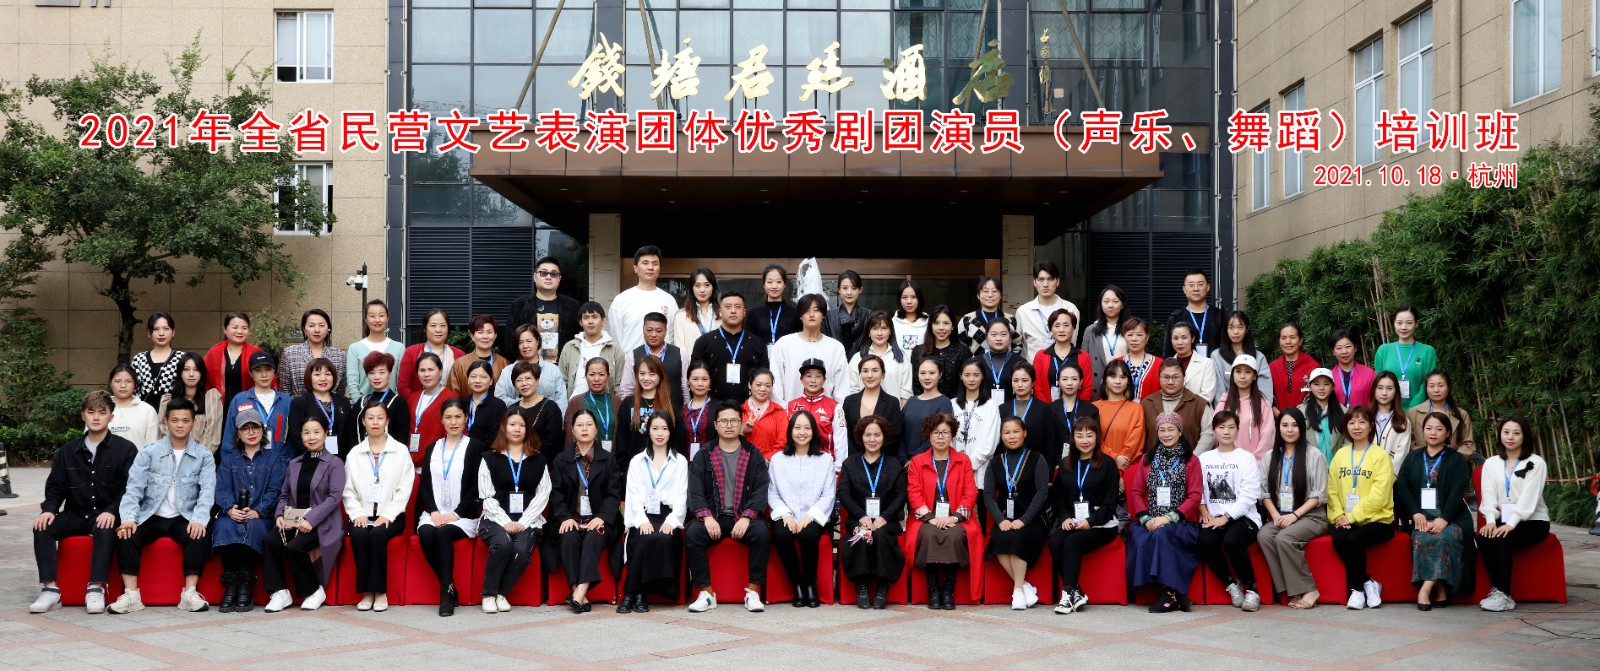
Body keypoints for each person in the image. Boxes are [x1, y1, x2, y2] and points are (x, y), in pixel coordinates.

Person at [29, 391, 138, 615]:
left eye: (102, 412)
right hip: (76, 513)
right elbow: (55, 487)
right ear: (83, 416)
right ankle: (50, 590)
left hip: (106, 513)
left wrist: (112, 510)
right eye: (91, 412)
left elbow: (130, 489)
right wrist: (49, 510)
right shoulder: (67, 451)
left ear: (111, 417)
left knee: (105, 526)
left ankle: (96, 588)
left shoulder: (126, 449)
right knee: (42, 526)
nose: (96, 417)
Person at [107, 399, 216, 614]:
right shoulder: (149, 452)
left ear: (193, 423)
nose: (180, 425)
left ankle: (189, 593)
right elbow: (134, 488)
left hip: (183, 516)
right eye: (175, 420)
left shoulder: (204, 455)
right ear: (166, 421)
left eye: (185, 420)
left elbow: (207, 492)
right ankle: (131, 595)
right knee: (126, 533)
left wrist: (198, 520)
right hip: (151, 515)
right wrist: (128, 518)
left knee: (199, 535)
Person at [685, 402, 773, 613]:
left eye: (734, 421)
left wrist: (747, 517)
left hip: (742, 516)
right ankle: (706, 593)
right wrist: (706, 517)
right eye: (724, 421)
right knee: (693, 534)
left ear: (741, 424)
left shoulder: (753, 454)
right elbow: (695, 491)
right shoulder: (704, 454)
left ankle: (753, 592)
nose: (729, 425)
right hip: (713, 517)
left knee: (761, 533)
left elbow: (761, 490)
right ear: (715, 425)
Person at [262, 415, 345, 613]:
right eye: (307, 433)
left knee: (295, 547)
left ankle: (314, 590)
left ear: (325, 434)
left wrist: (311, 519)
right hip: (294, 519)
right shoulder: (295, 463)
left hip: (323, 522)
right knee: (270, 541)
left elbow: (334, 498)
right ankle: (280, 592)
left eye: (316, 432)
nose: (311, 437)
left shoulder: (335, 463)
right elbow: (284, 495)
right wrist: (279, 515)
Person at [1395, 411, 1476, 611]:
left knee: (1443, 537)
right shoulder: (1413, 458)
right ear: (1422, 431)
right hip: (1422, 518)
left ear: (1448, 433)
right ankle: (1440, 588)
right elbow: (1402, 486)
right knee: (1422, 538)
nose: (1433, 433)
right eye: (1429, 428)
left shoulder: (1456, 459)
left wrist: (1444, 519)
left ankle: (1425, 589)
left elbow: (1457, 492)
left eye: (1439, 429)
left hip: (1452, 519)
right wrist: (1415, 513)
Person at [545, 409, 622, 614]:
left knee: (593, 537)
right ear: (572, 430)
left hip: (598, 519)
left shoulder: (608, 459)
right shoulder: (561, 460)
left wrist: (602, 517)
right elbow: (556, 493)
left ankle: (579, 592)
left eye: (589, 424)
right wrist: (565, 517)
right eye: (579, 425)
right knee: (568, 537)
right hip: (571, 518)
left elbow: (614, 494)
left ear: (596, 430)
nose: (584, 429)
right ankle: (578, 594)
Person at [1126, 411, 1204, 613]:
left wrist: (1167, 518)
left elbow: (1195, 496)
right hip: (1151, 519)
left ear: (1180, 432)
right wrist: (1146, 518)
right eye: (1162, 430)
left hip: (1181, 521)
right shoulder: (1147, 459)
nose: (1166, 434)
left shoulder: (1191, 460)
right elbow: (1136, 492)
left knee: (1163, 535)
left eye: (1171, 430)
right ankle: (1175, 597)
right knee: (1140, 536)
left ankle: (1169, 595)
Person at [212, 408, 288, 614]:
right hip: (233, 513)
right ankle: (231, 585)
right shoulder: (229, 460)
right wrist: (230, 508)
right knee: (223, 526)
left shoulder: (275, 459)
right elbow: (222, 489)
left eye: (255, 427)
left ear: (263, 430)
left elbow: (276, 490)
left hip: (261, 516)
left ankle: (245, 584)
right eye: (245, 429)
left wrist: (259, 510)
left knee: (253, 527)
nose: (251, 432)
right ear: (238, 433)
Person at [341, 399, 414, 612]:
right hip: (362, 514)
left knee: (377, 534)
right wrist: (357, 514)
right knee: (360, 535)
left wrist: (388, 515)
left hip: (391, 516)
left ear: (387, 421)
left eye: (380, 418)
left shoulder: (400, 451)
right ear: (363, 421)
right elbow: (348, 490)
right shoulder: (355, 453)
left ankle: (380, 591)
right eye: (370, 418)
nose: (375, 422)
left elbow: (404, 489)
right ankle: (366, 592)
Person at [476, 412, 553, 613]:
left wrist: (524, 522)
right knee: (503, 544)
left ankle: (501, 593)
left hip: (528, 520)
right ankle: (488, 595)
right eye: (512, 424)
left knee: (521, 548)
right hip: (495, 518)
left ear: (528, 429)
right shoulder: (489, 458)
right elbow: (486, 495)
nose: (517, 429)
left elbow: (543, 493)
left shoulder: (539, 459)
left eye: (522, 425)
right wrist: (505, 522)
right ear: (503, 427)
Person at [906, 413, 982, 610]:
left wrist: (954, 518)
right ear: (929, 435)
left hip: (956, 517)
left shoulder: (963, 461)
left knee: (954, 535)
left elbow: (970, 492)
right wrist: (930, 518)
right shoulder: (917, 461)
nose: (940, 437)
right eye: (936, 432)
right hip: (926, 518)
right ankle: (933, 587)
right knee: (928, 534)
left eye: (945, 432)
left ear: (952, 435)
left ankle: (948, 588)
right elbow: (913, 493)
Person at [414, 399, 483, 616]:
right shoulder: (432, 447)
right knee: (426, 534)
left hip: (463, 515)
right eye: (448, 417)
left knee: (443, 534)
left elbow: (476, 486)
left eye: (458, 417)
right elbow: (425, 485)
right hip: (434, 512)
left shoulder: (475, 447)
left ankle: (445, 594)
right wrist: (434, 511)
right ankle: (450, 585)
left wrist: (455, 514)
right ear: (441, 420)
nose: (453, 422)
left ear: (466, 419)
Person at [1257, 407, 1330, 609]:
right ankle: (1290, 590)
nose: (1290, 430)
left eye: (1295, 425)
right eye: (1285, 425)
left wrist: (1295, 516)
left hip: (1311, 516)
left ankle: (1309, 589)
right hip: (1281, 513)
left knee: (1284, 538)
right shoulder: (1270, 456)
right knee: (1264, 535)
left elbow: (1319, 495)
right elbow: (1264, 493)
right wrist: (1275, 515)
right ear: (1278, 428)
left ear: (1302, 428)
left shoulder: (1314, 455)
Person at [1047, 417, 1120, 614]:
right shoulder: (1066, 465)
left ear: (1097, 437)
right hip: (1073, 521)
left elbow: (1110, 503)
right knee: (1056, 541)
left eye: (1089, 435)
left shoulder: (1108, 464)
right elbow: (1058, 499)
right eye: (1079, 436)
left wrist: (1091, 521)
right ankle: (1076, 592)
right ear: (1073, 438)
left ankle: (1067, 595)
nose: (1085, 440)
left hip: (1102, 523)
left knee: (1073, 542)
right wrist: (1064, 518)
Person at [1476, 415, 1549, 612]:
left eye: (1516, 433)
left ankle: (1504, 595)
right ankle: (1498, 592)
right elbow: (1488, 493)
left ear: (1525, 436)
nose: (1510, 437)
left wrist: (1511, 524)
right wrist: (1490, 521)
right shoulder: (1491, 463)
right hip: (1503, 519)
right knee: (1485, 537)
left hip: (1533, 520)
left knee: (1502, 538)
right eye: (1506, 432)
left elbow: (1529, 498)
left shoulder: (1536, 462)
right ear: (1500, 435)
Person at [1326, 405, 1396, 610]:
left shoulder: (1380, 456)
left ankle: (1356, 591)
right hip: (1348, 518)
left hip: (1379, 520)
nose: (1356, 427)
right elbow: (1332, 490)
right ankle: (1368, 583)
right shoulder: (1340, 455)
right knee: (1339, 538)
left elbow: (1379, 495)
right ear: (1346, 426)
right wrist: (1339, 515)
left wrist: (1352, 516)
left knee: (1354, 540)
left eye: (1362, 422)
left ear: (1371, 425)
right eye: (1352, 422)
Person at [1195, 411, 1264, 612]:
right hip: (1214, 517)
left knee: (1232, 541)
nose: (1226, 432)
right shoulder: (1204, 458)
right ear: (1213, 430)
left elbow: (1250, 494)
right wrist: (1204, 511)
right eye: (1221, 427)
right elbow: (1197, 490)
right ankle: (1231, 583)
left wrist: (1226, 517)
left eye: (1231, 427)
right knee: (1204, 541)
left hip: (1244, 517)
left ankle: (1251, 589)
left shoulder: (1246, 458)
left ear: (1237, 430)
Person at [619, 413, 689, 612]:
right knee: (643, 537)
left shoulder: (680, 461)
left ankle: (632, 592)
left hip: (667, 515)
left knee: (662, 538)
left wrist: (672, 521)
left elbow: (682, 496)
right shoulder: (637, 461)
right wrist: (641, 520)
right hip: (642, 514)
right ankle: (638, 594)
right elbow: (632, 495)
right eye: (655, 428)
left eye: (664, 429)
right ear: (648, 431)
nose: (660, 433)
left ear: (671, 432)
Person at [767, 411, 838, 607]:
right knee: (782, 536)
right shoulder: (778, 460)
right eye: (797, 427)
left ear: (813, 431)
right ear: (790, 431)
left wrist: (810, 516)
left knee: (808, 535)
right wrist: (786, 514)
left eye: (807, 428)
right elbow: (772, 493)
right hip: (786, 514)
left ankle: (810, 584)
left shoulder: (825, 460)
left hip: (815, 515)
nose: (802, 432)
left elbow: (828, 495)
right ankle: (797, 583)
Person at [839, 415, 908, 609]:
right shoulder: (849, 464)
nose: (872, 439)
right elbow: (844, 493)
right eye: (867, 435)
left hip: (887, 521)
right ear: (860, 437)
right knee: (862, 535)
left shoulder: (894, 464)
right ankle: (861, 584)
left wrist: (884, 517)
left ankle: (882, 585)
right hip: (858, 519)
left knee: (882, 536)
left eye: (877, 435)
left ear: (884, 437)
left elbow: (901, 494)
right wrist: (861, 516)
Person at [985, 416, 1052, 610]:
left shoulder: (1037, 458)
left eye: (1016, 431)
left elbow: (1042, 492)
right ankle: (1023, 587)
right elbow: (988, 494)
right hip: (1005, 518)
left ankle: (1017, 591)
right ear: (1001, 436)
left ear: (1024, 433)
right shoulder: (995, 463)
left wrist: (1024, 520)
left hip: (1034, 518)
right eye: (1007, 432)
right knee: (999, 540)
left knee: (1016, 538)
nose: (1012, 436)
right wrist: (1000, 520)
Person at [690, 291, 770, 405]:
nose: (733, 311)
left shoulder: (757, 343)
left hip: (748, 407)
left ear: (744, 312)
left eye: (737, 307)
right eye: (728, 307)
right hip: (711, 406)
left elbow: (765, 377)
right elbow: (694, 375)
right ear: (720, 312)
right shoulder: (704, 341)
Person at [771, 294, 850, 405]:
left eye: (816, 310)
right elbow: (776, 383)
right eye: (807, 310)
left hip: (826, 414)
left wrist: (837, 412)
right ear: (800, 315)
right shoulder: (784, 344)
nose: (811, 314)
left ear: (823, 315)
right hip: (790, 413)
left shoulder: (836, 348)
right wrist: (783, 411)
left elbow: (842, 389)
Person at [219, 352, 292, 462]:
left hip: (280, 465)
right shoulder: (239, 400)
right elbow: (230, 438)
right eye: (258, 370)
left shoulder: (286, 401)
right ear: (251, 373)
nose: (264, 375)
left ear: (274, 371)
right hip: (248, 465)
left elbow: (292, 438)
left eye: (268, 369)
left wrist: (287, 463)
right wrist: (232, 466)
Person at [507, 256, 582, 362]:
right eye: (543, 273)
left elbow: (579, 340)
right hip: (528, 367)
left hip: (563, 367)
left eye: (553, 274)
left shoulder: (572, 306)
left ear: (559, 279)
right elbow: (510, 341)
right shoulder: (519, 305)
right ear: (535, 277)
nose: (548, 277)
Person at [609, 245, 678, 353]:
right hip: (631, 361)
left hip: (662, 362)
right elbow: (617, 338)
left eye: (655, 263)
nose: (650, 267)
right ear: (635, 268)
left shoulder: (669, 300)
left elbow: (672, 336)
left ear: (659, 268)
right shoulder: (621, 300)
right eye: (645, 263)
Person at [615, 355, 678, 472]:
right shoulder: (628, 403)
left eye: (651, 374)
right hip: (633, 469)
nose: (646, 378)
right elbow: (621, 440)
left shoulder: (669, 405)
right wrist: (624, 470)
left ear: (660, 376)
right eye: (642, 373)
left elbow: (677, 440)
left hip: (663, 469)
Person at [285, 357, 358, 458]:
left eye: (327, 374)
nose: (323, 378)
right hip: (310, 459)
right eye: (317, 374)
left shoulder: (343, 402)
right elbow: (296, 435)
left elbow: (349, 434)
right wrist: (318, 458)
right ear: (309, 377)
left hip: (340, 460)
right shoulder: (299, 403)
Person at [1141, 359, 1216, 455]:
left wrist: (1193, 458)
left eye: (1175, 377)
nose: (1170, 382)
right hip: (1153, 462)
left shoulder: (1198, 404)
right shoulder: (1147, 403)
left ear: (1184, 377)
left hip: (1189, 461)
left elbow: (1209, 432)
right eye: (1165, 377)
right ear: (1159, 377)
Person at [786, 358, 849, 468]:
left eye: (818, 376)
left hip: (826, 466)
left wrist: (838, 470)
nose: (813, 380)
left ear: (824, 380)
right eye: (808, 376)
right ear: (801, 379)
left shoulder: (835, 407)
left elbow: (841, 442)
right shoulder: (789, 406)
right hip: (796, 465)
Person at [998, 362, 1066, 464]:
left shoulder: (1044, 409)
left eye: (1024, 380)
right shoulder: (1002, 409)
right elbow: (998, 443)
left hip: (1037, 465)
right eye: (1015, 380)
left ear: (1033, 383)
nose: (1020, 384)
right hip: (1008, 465)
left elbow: (1051, 443)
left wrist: (1048, 469)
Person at [951, 359, 1001, 496]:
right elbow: (947, 437)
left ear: (983, 376)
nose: (971, 379)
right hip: (954, 469)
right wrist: (956, 461)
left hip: (981, 471)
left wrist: (968, 464)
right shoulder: (952, 404)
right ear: (961, 376)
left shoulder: (991, 405)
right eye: (967, 375)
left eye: (976, 375)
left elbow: (990, 441)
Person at [1373, 306, 1437, 410]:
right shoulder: (1384, 350)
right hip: (1389, 410)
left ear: (1416, 324)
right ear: (1394, 323)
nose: (1403, 327)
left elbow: (1429, 382)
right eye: (1399, 323)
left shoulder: (1427, 351)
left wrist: (1414, 407)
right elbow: (1378, 382)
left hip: (1419, 410)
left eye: (1409, 323)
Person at [618, 312, 690, 406]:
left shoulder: (680, 354)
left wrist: (686, 410)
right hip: (642, 411)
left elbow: (685, 388)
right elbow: (627, 389)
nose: (653, 334)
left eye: (659, 331)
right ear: (643, 330)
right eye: (649, 330)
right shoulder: (633, 355)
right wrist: (629, 410)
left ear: (666, 331)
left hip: (674, 411)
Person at [558, 301, 624, 403]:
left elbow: (619, 384)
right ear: (580, 322)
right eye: (586, 318)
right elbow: (562, 381)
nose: (590, 321)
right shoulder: (570, 347)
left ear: (603, 320)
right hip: (575, 404)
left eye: (594, 317)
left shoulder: (614, 349)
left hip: (605, 405)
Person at [842, 356, 907, 458]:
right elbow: (846, 434)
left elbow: (895, 436)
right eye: (865, 371)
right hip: (854, 460)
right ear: (860, 374)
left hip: (883, 460)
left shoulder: (892, 402)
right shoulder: (849, 401)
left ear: (883, 374)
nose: (870, 375)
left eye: (875, 370)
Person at [496, 324, 570, 414]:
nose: (525, 346)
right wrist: (525, 405)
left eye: (529, 341)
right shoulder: (508, 372)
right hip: (517, 420)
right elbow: (499, 398)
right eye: (520, 342)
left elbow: (561, 402)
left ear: (537, 341)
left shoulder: (553, 370)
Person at [158, 353, 225, 451]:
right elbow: (164, 434)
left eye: (196, 369)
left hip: (202, 457)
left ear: (202, 373)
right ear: (180, 372)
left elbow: (212, 438)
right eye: (186, 369)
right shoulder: (167, 400)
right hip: (171, 456)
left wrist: (193, 457)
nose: (191, 374)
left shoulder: (211, 398)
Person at [1406, 371, 1477, 459]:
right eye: (1431, 386)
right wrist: (1428, 455)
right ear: (1426, 388)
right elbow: (1409, 442)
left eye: (1441, 385)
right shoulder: (1413, 413)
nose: (1436, 390)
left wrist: (1451, 458)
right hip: (1422, 462)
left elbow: (1468, 444)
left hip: (1452, 464)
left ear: (1448, 387)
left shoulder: (1461, 414)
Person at [1017, 261, 1079, 359]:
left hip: (1064, 366)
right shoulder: (1023, 312)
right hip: (1033, 367)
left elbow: (1073, 342)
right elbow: (1019, 345)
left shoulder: (1070, 309)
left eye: (1050, 279)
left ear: (1057, 282)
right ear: (1034, 282)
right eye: (1041, 279)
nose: (1045, 284)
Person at [204, 311, 270, 404]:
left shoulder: (256, 352)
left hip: (250, 406)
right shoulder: (215, 352)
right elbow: (204, 379)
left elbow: (269, 379)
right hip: (219, 407)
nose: (240, 331)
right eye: (235, 327)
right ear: (225, 329)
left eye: (244, 328)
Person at [278, 309, 346, 399]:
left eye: (321, 325)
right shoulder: (289, 353)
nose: (317, 330)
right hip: (298, 406)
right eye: (311, 325)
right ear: (304, 329)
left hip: (330, 406)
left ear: (328, 329)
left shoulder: (340, 356)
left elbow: (340, 392)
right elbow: (284, 391)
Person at [1210, 311, 1274, 405]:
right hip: (1228, 408)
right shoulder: (1216, 356)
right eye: (1231, 327)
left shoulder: (1259, 357)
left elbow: (1265, 390)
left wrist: (1259, 409)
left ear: (1247, 329)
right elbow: (1219, 391)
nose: (1235, 332)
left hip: (1254, 408)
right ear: (1226, 330)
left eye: (1240, 327)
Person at [1218, 354, 1274, 460]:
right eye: (1238, 371)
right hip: (1227, 463)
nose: (1242, 376)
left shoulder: (1263, 404)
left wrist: (1255, 460)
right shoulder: (1224, 403)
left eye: (1247, 372)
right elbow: (1216, 432)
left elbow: (1268, 435)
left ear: (1254, 376)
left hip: (1254, 463)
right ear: (1232, 375)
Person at [406, 352, 457, 466]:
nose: (426, 374)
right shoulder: (413, 398)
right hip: (411, 463)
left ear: (440, 371)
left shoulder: (450, 398)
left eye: (431, 370)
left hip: (437, 463)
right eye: (422, 370)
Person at [1094, 360, 1147, 470]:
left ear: (1128, 382)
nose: (1118, 381)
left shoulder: (1136, 409)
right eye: (1113, 376)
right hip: (1099, 467)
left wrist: (1121, 467)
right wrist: (1115, 458)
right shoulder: (1094, 407)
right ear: (1105, 379)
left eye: (1123, 377)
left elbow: (1135, 443)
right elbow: (1092, 440)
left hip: (1127, 468)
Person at [347, 299, 405, 399]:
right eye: (372, 316)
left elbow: (401, 381)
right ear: (365, 319)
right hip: (364, 405)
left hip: (391, 404)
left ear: (387, 318)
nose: (377, 320)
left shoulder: (399, 348)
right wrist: (361, 405)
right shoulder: (354, 348)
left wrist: (393, 403)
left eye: (381, 315)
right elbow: (352, 383)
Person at [1032, 309, 1093, 404]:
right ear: (1051, 329)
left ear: (1073, 328)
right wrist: (1047, 409)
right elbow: (1037, 388)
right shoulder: (1041, 356)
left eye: (1066, 325)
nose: (1061, 330)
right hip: (1047, 409)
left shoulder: (1083, 356)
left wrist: (1077, 409)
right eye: (1057, 325)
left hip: (1076, 410)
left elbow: (1087, 388)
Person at [848, 311, 913, 400]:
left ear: (890, 331)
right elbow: (853, 390)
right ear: (869, 332)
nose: (879, 333)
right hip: (865, 408)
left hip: (894, 408)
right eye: (875, 328)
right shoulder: (857, 358)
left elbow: (906, 393)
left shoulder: (901, 357)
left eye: (884, 328)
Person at [398, 309, 462, 399]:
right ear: (425, 329)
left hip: (451, 405)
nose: (438, 330)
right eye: (433, 325)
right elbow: (403, 386)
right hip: (420, 405)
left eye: (443, 325)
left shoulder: (459, 354)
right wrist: (416, 402)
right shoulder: (411, 352)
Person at [1163, 269, 1225, 358]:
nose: (1196, 289)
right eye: (1191, 285)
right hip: (1184, 365)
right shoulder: (1176, 318)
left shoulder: (1219, 316)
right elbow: (1168, 351)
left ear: (1208, 287)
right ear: (1184, 289)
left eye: (1200, 284)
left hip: (1215, 365)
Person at [902, 357, 956, 458]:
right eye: (923, 373)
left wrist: (915, 459)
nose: (927, 377)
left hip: (929, 460)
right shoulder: (911, 401)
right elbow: (901, 432)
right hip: (905, 461)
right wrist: (903, 458)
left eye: (932, 373)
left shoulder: (944, 402)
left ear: (940, 375)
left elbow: (939, 436)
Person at [564, 358, 621, 451]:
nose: (596, 379)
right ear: (585, 376)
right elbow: (569, 437)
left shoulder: (617, 402)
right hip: (585, 456)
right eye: (592, 374)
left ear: (608, 376)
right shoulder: (576, 402)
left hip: (614, 457)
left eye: (601, 374)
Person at [1080, 286, 1127, 397]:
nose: (1110, 305)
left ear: (1122, 305)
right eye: (1106, 301)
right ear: (1101, 304)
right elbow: (1083, 363)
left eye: (1115, 301)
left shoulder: (1130, 329)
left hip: (1123, 383)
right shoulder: (1090, 330)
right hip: (1098, 385)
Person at [507, 361, 565, 451]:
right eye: (518, 380)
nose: (524, 383)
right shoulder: (512, 409)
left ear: (537, 380)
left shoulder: (550, 407)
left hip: (542, 458)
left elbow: (553, 442)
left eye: (528, 378)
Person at [447, 315, 509, 398]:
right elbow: (452, 398)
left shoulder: (504, 363)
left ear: (495, 335)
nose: (485, 336)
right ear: (472, 336)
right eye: (480, 332)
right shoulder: (460, 364)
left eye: (489, 332)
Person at [359, 351, 411, 448]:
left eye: (382, 372)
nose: (377, 377)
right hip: (362, 454)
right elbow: (352, 435)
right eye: (372, 373)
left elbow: (402, 437)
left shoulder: (399, 403)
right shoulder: (361, 402)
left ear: (390, 374)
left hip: (390, 454)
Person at [958, 275, 1020, 355]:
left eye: (994, 291)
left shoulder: (1010, 319)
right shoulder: (967, 319)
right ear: (978, 295)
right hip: (976, 363)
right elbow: (962, 348)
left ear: (1000, 295)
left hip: (1005, 362)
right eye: (985, 291)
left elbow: (1017, 346)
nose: (990, 295)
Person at [913, 306, 966, 398]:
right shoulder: (918, 351)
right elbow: (916, 385)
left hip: (955, 404)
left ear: (953, 326)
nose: (941, 328)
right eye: (936, 323)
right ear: (931, 325)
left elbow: (964, 384)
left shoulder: (963, 351)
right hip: (926, 404)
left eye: (946, 323)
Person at [1051, 363, 1101, 457]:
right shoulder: (1049, 409)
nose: (1069, 383)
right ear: (1058, 382)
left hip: (1085, 458)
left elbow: (1096, 439)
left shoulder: (1091, 410)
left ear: (1080, 382)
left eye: (1074, 379)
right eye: (1065, 379)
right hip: (1056, 461)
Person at [132, 312, 181, 406]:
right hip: (144, 413)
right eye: (156, 329)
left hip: (173, 412)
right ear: (149, 333)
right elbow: (134, 391)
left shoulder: (181, 358)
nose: (161, 333)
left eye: (166, 329)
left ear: (173, 332)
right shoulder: (139, 359)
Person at [1300, 368, 1349, 461]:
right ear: (1310, 387)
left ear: (1333, 387)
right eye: (1316, 384)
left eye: (1326, 384)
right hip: (1309, 464)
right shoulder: (1301, 412)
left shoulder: (1344, 412)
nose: (1321, 388)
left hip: (1337, 464)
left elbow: (1348, 441)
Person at [974, 317, 1026, 403]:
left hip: (1012, 409)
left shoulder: (1020, 362)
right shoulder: (976, 363)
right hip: (982, 409)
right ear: (986, 337)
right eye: (994, 334)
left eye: (1003, 334)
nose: (998, 338)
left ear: (1010, 337)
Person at [1270, 323, 1319, 412]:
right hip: (1278, 418)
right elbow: (1267, 397)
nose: (1288, 341)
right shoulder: (1272, 367)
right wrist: (1281, 416)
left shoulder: (1313, 367)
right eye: (1283, 338)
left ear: (1300, 340)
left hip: (1307, 418)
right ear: (1279, 341)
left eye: (1292, 337)